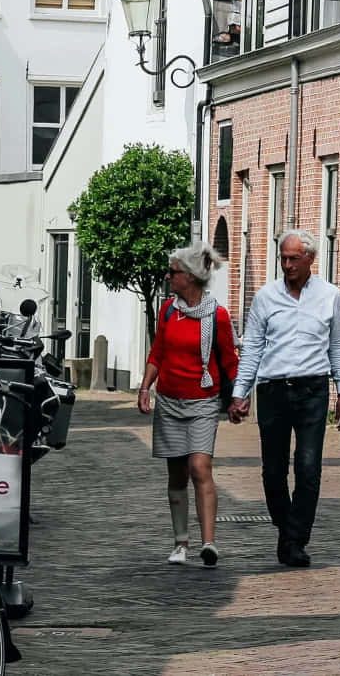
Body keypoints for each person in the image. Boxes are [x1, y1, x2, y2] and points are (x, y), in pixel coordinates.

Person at [227, 229, 340, 568]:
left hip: (312, 388)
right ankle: (287, 528)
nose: (286, 265)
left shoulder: (330, 296)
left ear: (310, 258)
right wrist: (240, 393)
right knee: (273, 471)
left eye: (293, 258)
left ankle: (296, 539)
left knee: (309, 468)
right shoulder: (266, 297)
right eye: (282, 258)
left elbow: (338, 345)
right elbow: (252, 346)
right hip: (273, 390)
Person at [137, 241, 239, 567]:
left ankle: (209, 543)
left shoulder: (218, 316)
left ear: (191, 277)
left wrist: (240, 395)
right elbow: (158, 354)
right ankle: (180, 542)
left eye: (174, 272)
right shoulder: (169, 311)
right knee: (177, 474)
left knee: (200, 467)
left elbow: (229, 360)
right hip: (169, 401)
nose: (169, 277)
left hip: (203, 402)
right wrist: (145, 387)